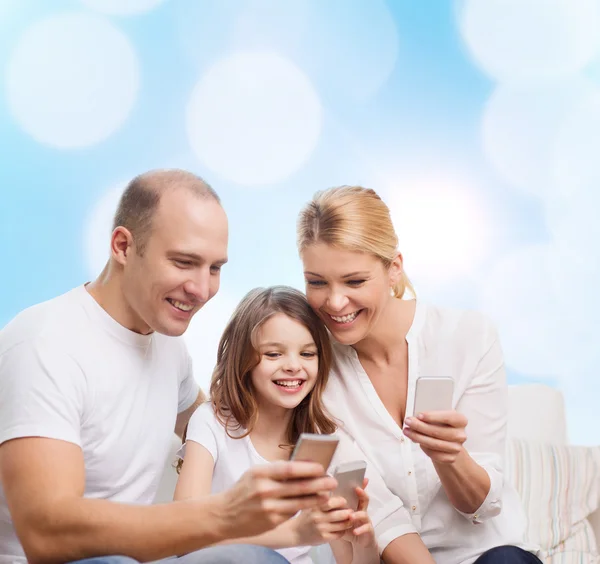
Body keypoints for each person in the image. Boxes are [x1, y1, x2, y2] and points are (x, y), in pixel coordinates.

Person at [0, 170, 337, 564]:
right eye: (183, 262)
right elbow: (46, 533)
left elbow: (213, 417)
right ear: (124, 246)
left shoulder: (166, 344)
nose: (201, 289)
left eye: (214, 268)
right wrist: (226, 514)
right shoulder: (44, 344)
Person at [296, 185, 542, 564]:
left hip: (485, 554)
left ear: (394, 268)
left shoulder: (468, 337)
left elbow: (483, 506)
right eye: (317, 282)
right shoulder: (314, 370)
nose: (335, 302)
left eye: (355, 281)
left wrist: (449, 458)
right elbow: (379, 513)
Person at [175, 286, 383, 564]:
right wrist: (292, 533)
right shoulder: (212, 421)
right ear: (243, 359)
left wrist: (364, 545)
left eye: (308, 354)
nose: (293, 366)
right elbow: (183, 537)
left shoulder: (324, 440)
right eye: (274, 354)